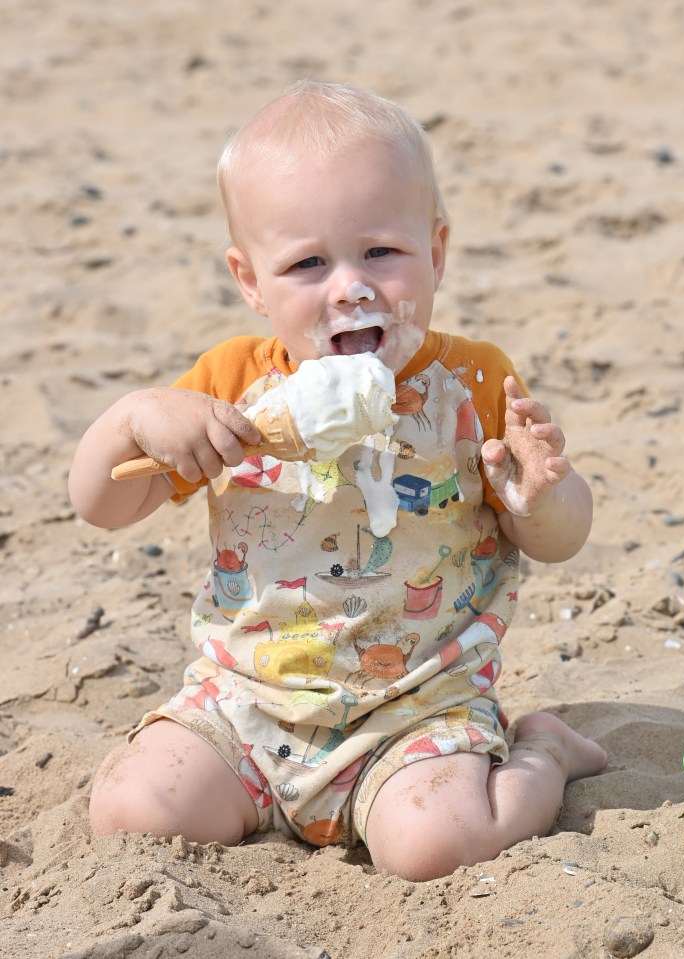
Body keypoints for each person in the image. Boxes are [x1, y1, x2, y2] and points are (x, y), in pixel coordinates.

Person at [68, 79, 607, 882]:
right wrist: (133, 418)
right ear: (250, 280)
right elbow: (103, 502)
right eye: (307, 263)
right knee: (130, 810)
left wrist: (543, 496)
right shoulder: (229, 386)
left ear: (437, 250)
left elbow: (560, 539)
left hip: (416, 708)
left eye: (380, 252)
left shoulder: (475, 382)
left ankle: (543, 753)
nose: (350, 286)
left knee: (437, 844)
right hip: (245, 704)